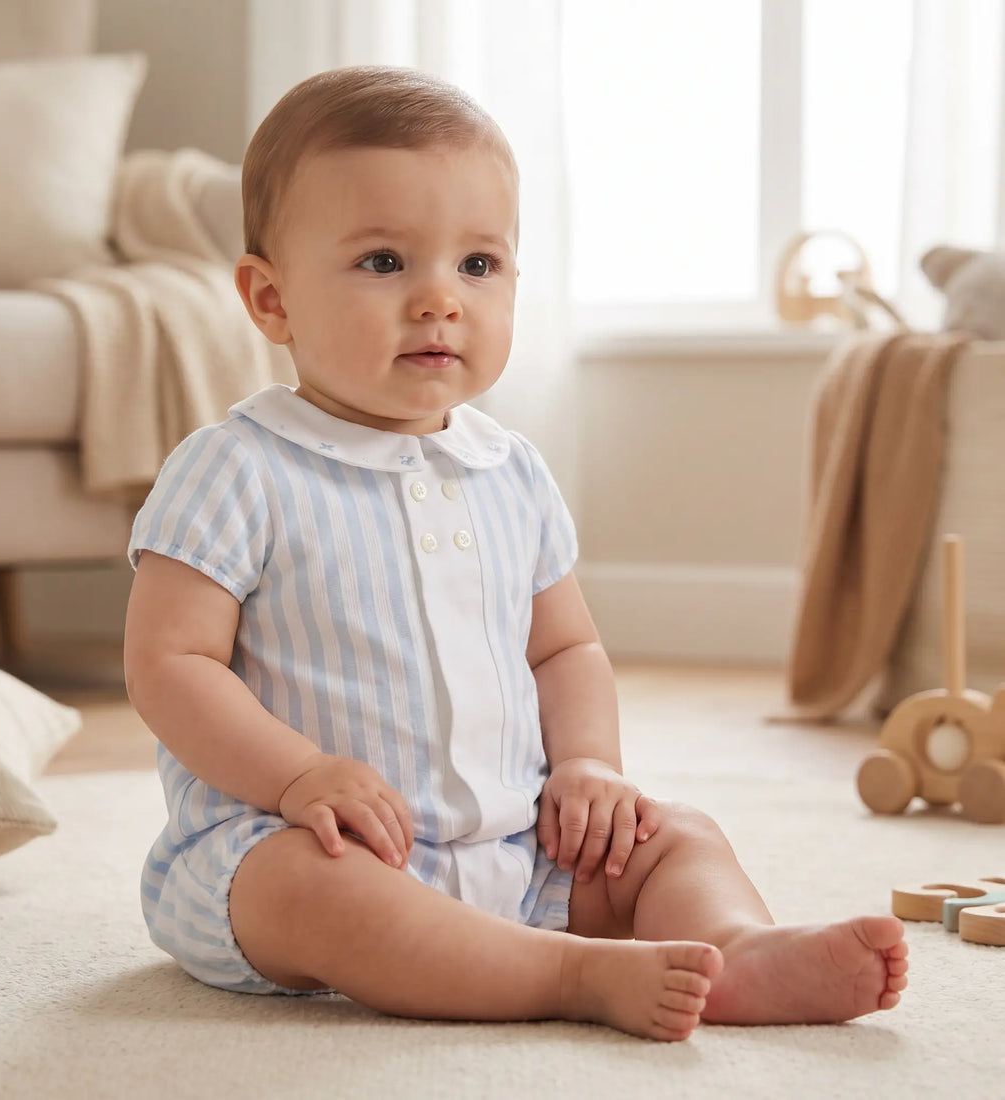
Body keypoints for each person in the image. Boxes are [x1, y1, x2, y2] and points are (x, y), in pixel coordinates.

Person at [123, 65, 908, 1042]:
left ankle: (734, 947)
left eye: (477, 266)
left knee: (673, 835)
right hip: (296, 843)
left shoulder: (509, 471)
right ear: (269, 298)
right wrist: (295, 777)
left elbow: (563, 650)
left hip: (512, 845)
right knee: (318, 895)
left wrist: (588, 764)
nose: (438, 300)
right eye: (382, 262)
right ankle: (571, 973)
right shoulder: (236, 467)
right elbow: (169, 662)